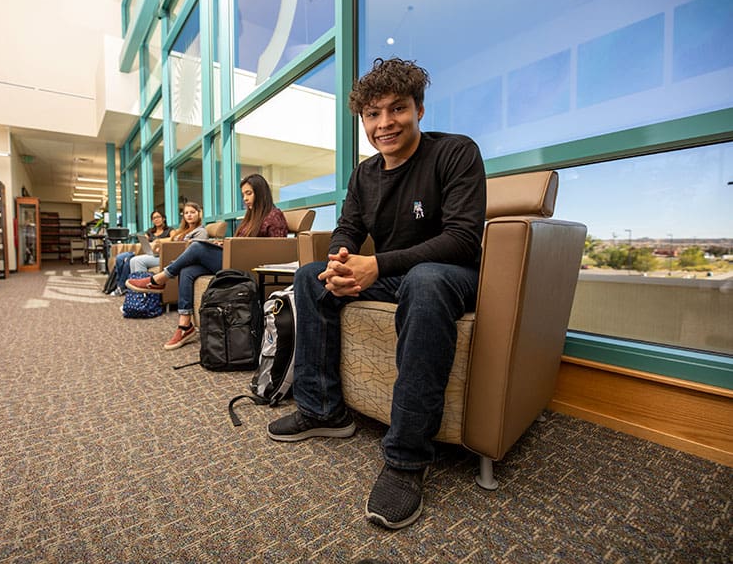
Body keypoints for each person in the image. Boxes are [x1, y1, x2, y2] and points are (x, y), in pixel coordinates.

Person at [266, 58, 486, 530]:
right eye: (372, 114)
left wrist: (377, 265)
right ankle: (323, 409)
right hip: (394, 276)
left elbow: (464, 239)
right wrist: (342, 260)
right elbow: (348, 227)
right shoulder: (365, 174)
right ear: (362, 119)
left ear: (419, 110)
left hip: (451, 278)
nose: (384, 123)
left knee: (426, 280)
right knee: (310, 278)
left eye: (397, 109)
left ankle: (407, 459)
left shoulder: (456, 153)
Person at [127, 174, 288, 350]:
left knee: (197, 247)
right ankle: (185, 325)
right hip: (234, 258)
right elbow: (241, 243)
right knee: (188, 270)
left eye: (249, 193)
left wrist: (235, 246)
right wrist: (226, 243)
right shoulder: (251, 217)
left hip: (246, 267)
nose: (245, 199)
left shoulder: (274, 215)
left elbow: (276, 252)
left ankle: (159, 279)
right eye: (243, 195)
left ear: (260, 192)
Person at [127, 202, 208, 276]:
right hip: (167, 254)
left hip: (176, 259)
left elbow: (195, 253)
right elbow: (171, 242)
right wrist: (162, 248)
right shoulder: (182, 231)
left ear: (199, 214)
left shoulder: (200, 231)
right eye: (186, 213)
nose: (189, 215)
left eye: (192, 212)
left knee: (138, 261)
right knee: (132, 260)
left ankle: (142, 292)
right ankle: (134, 291)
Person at [111, 210, 170, 295]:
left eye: (158, 217)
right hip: (146, 252)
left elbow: (173, 238)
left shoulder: (169, 230)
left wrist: (159, 241)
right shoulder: (150, 231)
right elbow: (144, 241)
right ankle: (121, 285)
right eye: (153, 218)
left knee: (129, 260)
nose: (156, 220)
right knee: (120, 258)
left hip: (157, 254)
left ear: (163, 218)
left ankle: (122, 287)